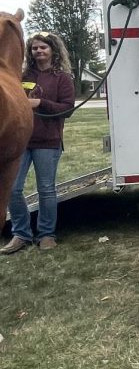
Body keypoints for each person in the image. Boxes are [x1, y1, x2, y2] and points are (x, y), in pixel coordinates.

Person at [1, 31, 76, 253]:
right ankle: (21, 233)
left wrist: (39, 103)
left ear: (53, 50)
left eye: (43, 47)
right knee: (13, 189)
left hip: (48, 141)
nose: (39, 51)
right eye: (35, 48)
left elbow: (68, 108)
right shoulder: (21, 76)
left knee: (46, 189)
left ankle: (46, 235)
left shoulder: (62, 78)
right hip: (21, 142)